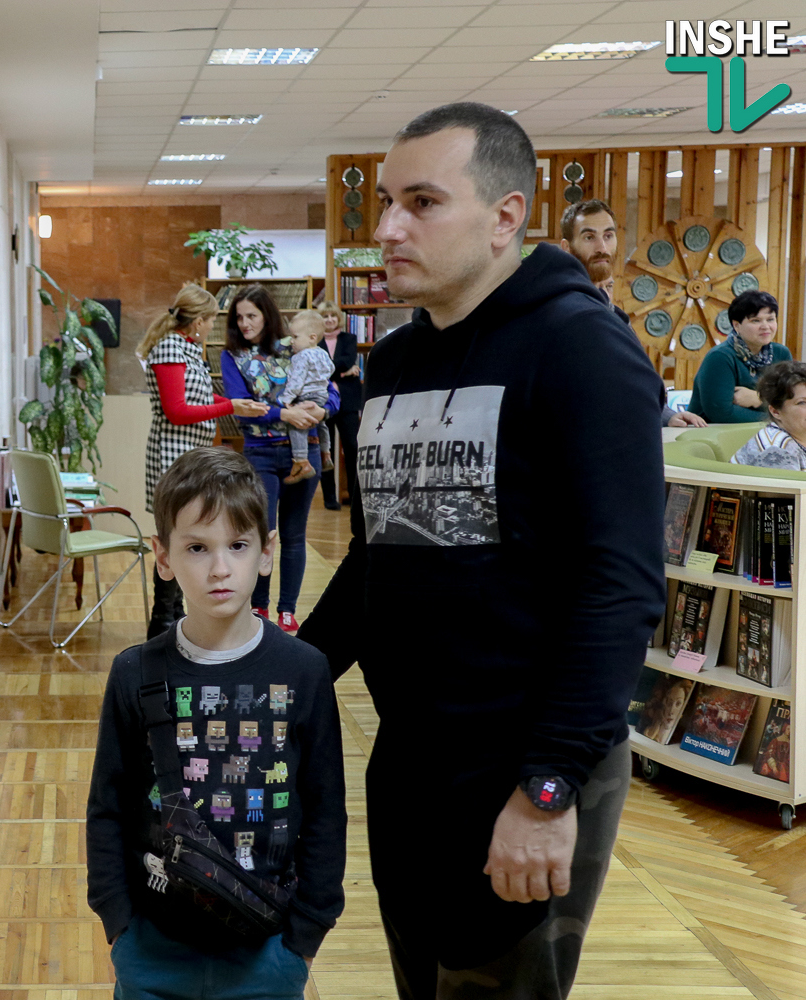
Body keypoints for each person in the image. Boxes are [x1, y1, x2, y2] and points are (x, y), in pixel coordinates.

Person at [299, 103, 665, 1000]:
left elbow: (619, 586)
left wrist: (546, 790)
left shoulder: (581, 350)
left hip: (528, 757)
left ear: (506, 217)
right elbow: (382, 554)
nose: (387, 227)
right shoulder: (390, 367)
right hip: (413, 755)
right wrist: (288, 670)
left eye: (422, 202)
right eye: (387, 201)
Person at [86, 446, 346, 1000]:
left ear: (267, 552)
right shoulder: (133, 673)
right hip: (152, 952)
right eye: (198, 548)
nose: (220, 568)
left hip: (267, 957)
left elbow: (325, 809)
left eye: (238, 545)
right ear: (163, 556)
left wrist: (303, 941)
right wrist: (121, 930)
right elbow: (107, 806)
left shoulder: (305, 670)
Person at [140, 282, 269, 639]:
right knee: (176, 537)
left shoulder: (187, 349)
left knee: (187, 534)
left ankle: (176, 614)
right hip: (171, 456)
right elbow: (177, 410)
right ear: (197, 321)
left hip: (187, 456)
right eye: (212, 319)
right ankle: (162, 619)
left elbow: (197, 394)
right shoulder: (169, 349)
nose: (213, 326)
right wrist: (230, 406)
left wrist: (234, 402)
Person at [219, 286, 334, 633]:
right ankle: (259, 608)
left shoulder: (296, 344)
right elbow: (241, 407)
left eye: (251, 315)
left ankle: (287, 611)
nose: (244, 323)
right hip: (260, 454)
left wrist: (324, 408)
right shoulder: (232, 355)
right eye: (239, 317)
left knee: (295, 535)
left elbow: (329, 389)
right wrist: (285, 414)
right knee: (260, 533)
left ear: (268, 315)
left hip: (306, 450)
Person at [558, 198, 706, 429]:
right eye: (589, 237)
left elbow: (635, 383)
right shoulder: (556, 312)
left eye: (608, 236)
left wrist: (666, 416)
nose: (602, 248)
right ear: (566, 247)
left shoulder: (616, 318)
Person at [688, 290, 791, 424]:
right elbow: (721, 414)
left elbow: (790, 402)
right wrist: (778, 416)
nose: (765, 327)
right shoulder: (720, 357)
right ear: (737, 325)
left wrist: (759, 399)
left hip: (766, 432)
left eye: (770, 319)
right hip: (712, 435)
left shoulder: (781, 353)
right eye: (755, 321)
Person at [281, 310, 336, 485]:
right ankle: (326, 454)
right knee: (321, 423)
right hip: (321, 395)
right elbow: (331, 369)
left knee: (298, 426)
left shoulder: (301, 357)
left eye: (295, 337)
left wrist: (287, 399)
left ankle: (301, 462)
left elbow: (296, 381)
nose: (292, 341)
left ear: (312, 337)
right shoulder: (322, 353)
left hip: (305, 395)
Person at [317, 302, 361, 511]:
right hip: (323, 401)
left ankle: (354, 497)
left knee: (352, 447)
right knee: (327, 450)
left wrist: (335, 370)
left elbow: (347, 360)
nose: (329, 320)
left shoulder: (349, 339)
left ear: (338, 318)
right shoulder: (315, 342)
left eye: (332, 316)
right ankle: (329, 498)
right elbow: (319, 368)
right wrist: (343, 372)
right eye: (325, 316)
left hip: (348, 401)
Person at [731, 360, 806, 469]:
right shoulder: (777, 450)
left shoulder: (798, 434)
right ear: (775, 411)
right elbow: (785, 486)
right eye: (802, 402)